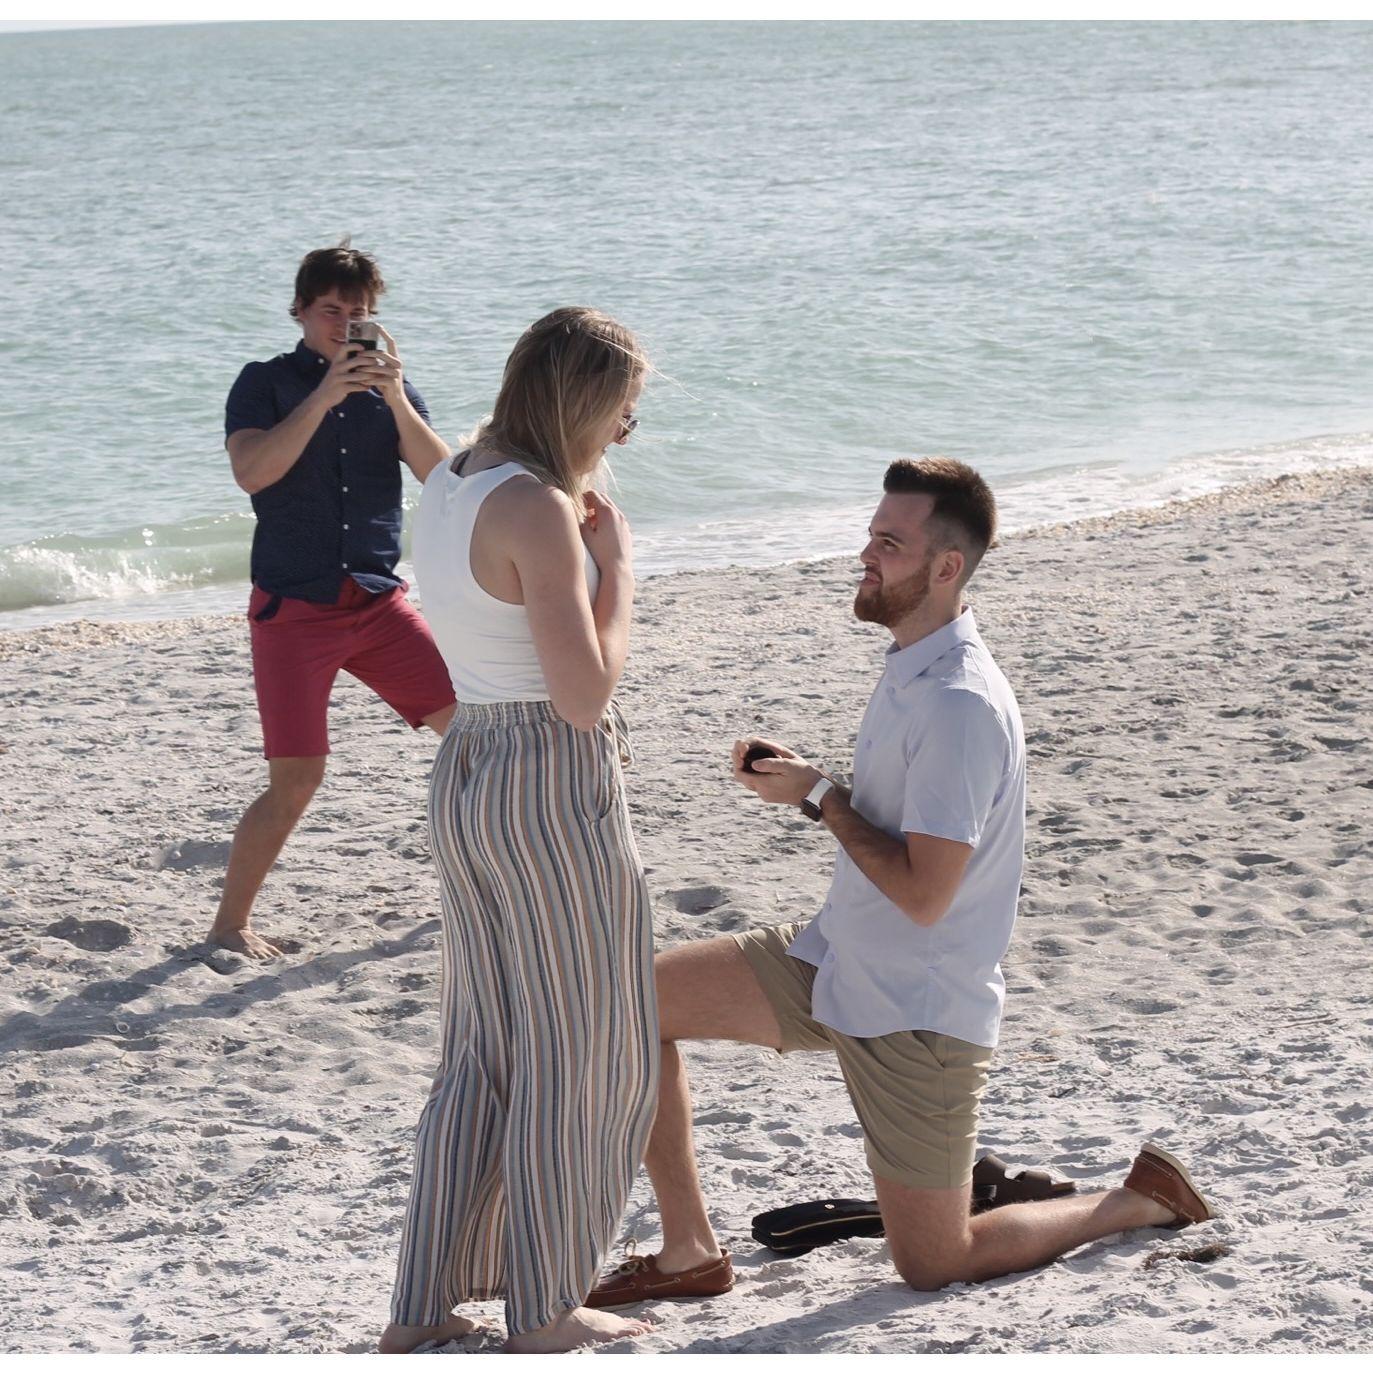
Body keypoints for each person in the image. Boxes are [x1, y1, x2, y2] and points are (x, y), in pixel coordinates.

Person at [587, 457, 1215, 1309]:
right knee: (631, 1001)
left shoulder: (958, 702)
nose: (865, 555)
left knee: (935, 1262)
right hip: (835, 958)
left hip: (916, 1009)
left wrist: (820, 796)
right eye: (870, 535)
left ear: (945, 566)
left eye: (888, 542)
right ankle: (690, 1250)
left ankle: (1136, 1198)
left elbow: (924, 895)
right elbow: (895, 829)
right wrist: (810, 787)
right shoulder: (913, 665)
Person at [381, 308, 660, 1354]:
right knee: (579, 1046)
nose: (628, 429)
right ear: (582, 400)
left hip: (467, 768)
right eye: (623, 407)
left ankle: (421, 1306)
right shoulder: (537, 507)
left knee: (481, 1048)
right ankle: (544, 1307)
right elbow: (583, 697)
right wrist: (617, 571)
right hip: (545, 775)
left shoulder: (452, 477)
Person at [209, 244, 457, 960]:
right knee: (297, 779)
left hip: (379, 604)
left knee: (476, 737)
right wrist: (323, 396)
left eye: (360, 313)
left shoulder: (391, 392)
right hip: (293, 610)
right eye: (331, 310)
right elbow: (252, 472)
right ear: (299, 310)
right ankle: (228, 924)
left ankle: (482, 887)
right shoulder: (264, 383)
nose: (345, 324)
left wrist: (395, 395)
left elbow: (445, 483)